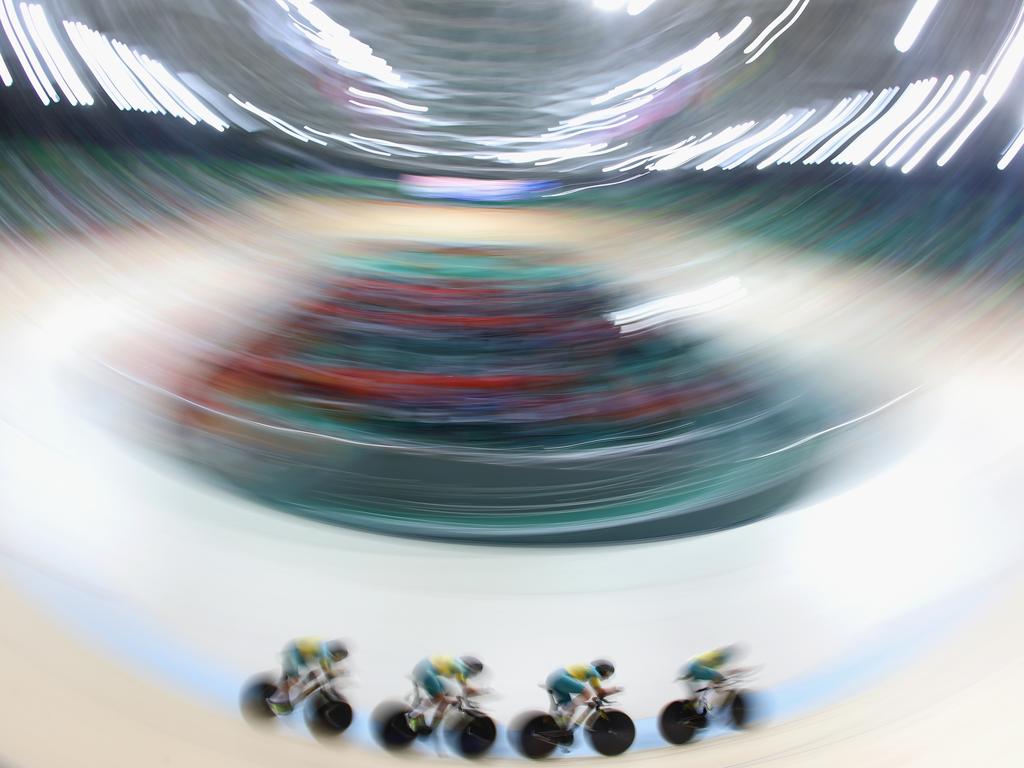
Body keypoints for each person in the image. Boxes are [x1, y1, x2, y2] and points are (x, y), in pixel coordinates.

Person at [268, 638, 348, 714]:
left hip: (296, 655)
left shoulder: (326, 651)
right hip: (292, 654)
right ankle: (275, 698)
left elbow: (327, 667)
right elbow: (326, 669)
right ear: (337, 653)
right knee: (294, 679)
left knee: (311, 675)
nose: (339, 660)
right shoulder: (324, 652)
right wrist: (338, 673)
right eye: (340, 657)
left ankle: (280, 695)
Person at [408, 655, 485, 733]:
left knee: (446, 698)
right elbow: (466, 688)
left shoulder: (458, 664)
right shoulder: (461, 669)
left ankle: (432, 726)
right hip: (426, 672)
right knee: (440, 698)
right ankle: (412, 715)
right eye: (474, 674)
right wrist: (481, 691)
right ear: (471, 669)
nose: (472, 676)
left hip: (425, 669)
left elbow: (466, 687)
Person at [545, 659, 618, 728]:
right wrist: (616, 689)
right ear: (604, 671)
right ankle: (561, 712)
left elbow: (596, 690)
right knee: (586, 693)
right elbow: (600, 691)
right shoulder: (594, 672)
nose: (607, 678)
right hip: (559, 678)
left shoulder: (589, 670)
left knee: (570, 711)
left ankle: (559, 728)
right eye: (608, 675)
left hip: (553, 680)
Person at [682, 644, 742, 712]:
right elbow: (726, 671)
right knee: (720, 679)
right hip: (695, 668)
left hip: (687, 669)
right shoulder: (722, 656)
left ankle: (688, 711)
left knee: (696, 699)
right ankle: (716, 705)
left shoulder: (716, 653)